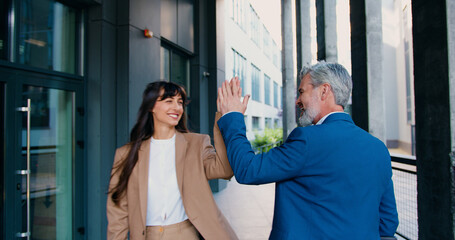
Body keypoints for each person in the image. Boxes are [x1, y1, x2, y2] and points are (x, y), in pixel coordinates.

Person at [216, 61, 399, 239]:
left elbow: (249, 170)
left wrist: (233, 116)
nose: (297, 101)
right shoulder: (378, 149)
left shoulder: (307, 140)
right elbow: (388, 224)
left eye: (302, 92)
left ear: (324, 91)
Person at [107, 81, 238, 240]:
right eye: (169, 101)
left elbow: (224, 170)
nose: (177, 108)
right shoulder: (126, 154)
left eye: (180, 102)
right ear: (151, 107)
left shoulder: (196, 144)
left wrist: (224, 118)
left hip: (186, 234)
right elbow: (118, 211)